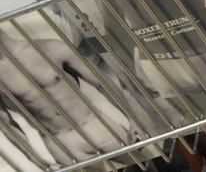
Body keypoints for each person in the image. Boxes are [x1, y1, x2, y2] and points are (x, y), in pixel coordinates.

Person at [0, 27, 144, 166]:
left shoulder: (48, 48)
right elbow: (7, 123)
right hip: (59, 142)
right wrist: (34, 158)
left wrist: (134, 120)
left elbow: (102, 83)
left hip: (96, 125)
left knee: (145, 166)